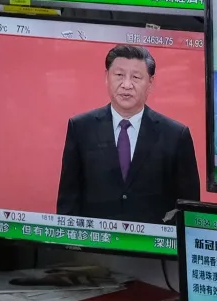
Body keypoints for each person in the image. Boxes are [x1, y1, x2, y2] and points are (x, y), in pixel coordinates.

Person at [56, 44, 201, 224]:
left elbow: (188, 207)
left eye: (136, 77)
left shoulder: (176, 135)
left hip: (153, 247)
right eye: (119, 75)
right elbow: (68, 200)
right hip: (95, 245)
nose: (126, 85)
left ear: (150, 83)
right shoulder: (81, 128)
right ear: (106, 77)